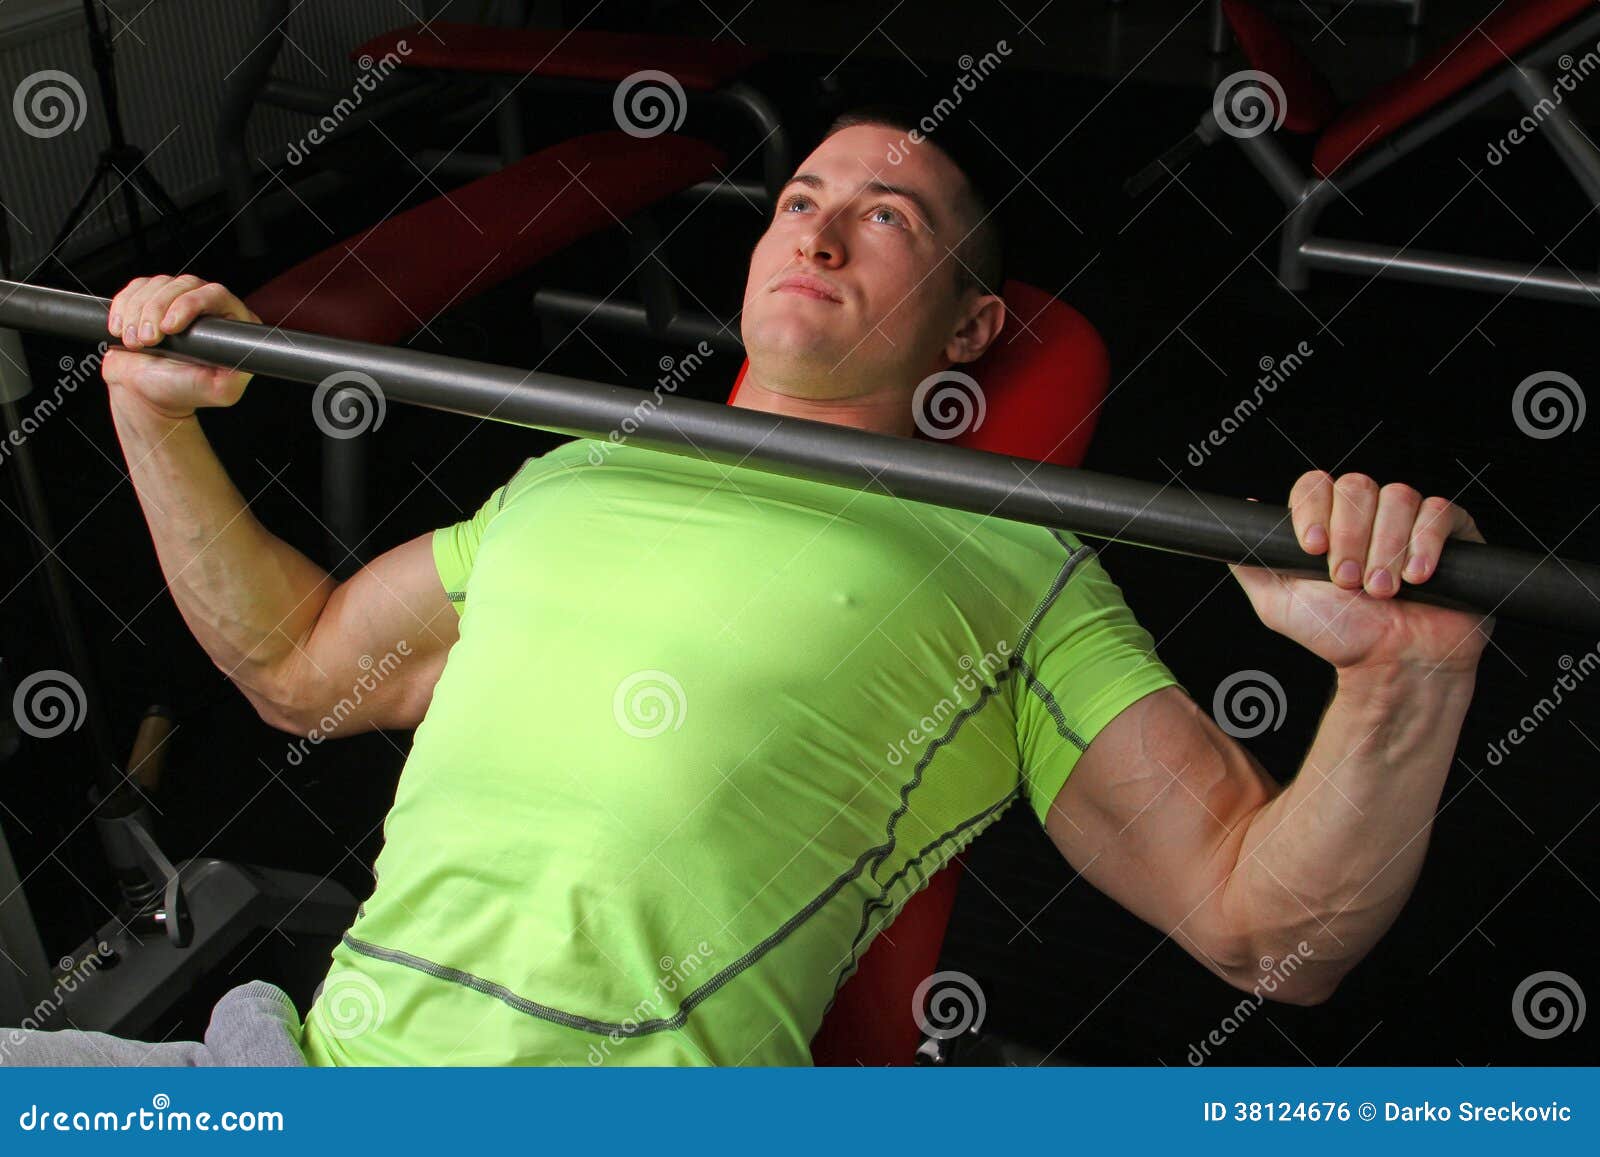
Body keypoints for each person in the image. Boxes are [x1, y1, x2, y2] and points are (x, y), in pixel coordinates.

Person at [2, 106, 1491, 1066]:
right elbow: (298, 664)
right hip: (287, 1071)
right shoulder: (577, 474)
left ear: (971, 330)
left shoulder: (1013, 566)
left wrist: (1401, 682)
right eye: (798, 196)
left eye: (887, 217)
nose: (820, 229)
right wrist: (151, 417)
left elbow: (1266, 932)